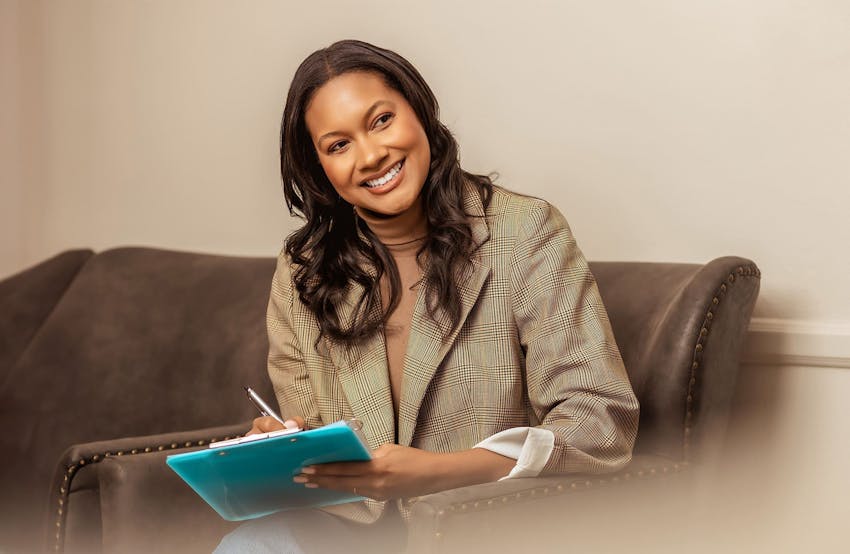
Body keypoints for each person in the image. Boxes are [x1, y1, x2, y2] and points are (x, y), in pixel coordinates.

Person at [215, 39, 639, 552]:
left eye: (381, 120)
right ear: (318, 168)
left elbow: (600, 423)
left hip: (474, 529)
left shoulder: (526, 233)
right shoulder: (302, 268)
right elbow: (318, 438)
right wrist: (288, 444)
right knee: (255, 542)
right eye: (338, 145)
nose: (371, 156)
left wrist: (443, 473)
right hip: (343, 534)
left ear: (419, 110)